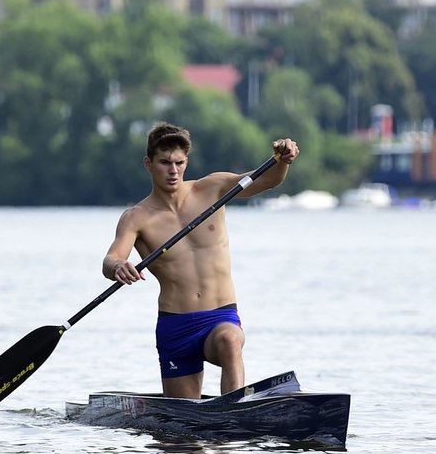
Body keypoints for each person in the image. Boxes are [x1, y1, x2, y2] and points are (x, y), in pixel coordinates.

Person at [102, 122, 299, 399]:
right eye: (165, 162)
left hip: (220, 316)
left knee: (230, 341)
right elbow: (111, 259)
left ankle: (233, 414)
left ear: (187, 162)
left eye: (179, 163)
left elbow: (267, 180)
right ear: (148, 163)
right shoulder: (137, 217)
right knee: (181, 435)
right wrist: (119, 266)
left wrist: (283, 160)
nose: (173, 170)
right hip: (175, 327)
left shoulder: (212, 189)